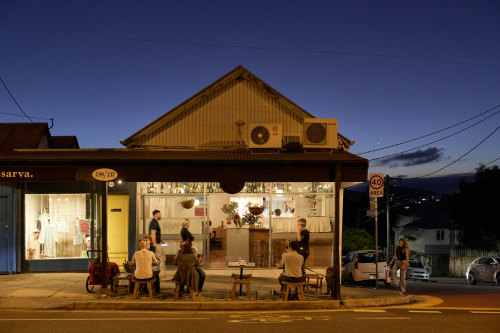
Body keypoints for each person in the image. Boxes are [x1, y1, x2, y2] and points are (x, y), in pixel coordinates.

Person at [149, 210, 165, 274]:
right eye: (159, 214)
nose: (160, 215)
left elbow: (155, 233)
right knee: (161, 259)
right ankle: (162, 275)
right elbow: (153, 233)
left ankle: (161, 274)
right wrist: (155, 244)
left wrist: (161, 240)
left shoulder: (154, 222)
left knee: (160, 259)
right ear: (155, 215)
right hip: (156, 244)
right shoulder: (154, 222)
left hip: (158, 243)